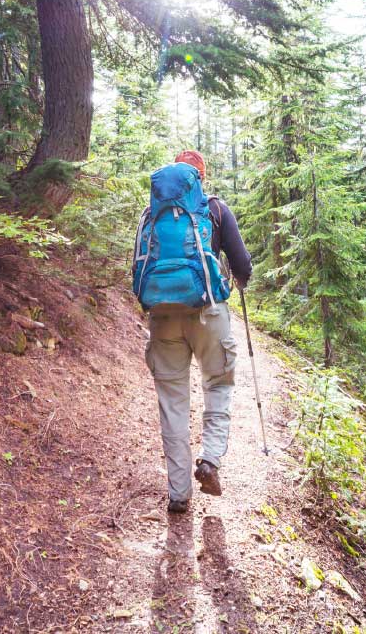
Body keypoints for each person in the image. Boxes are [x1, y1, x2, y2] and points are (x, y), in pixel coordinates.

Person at [135, 150, 252, 514]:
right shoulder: (214, 209)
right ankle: (211, 460)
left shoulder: (150, 215)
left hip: (162, 314)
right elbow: (243, 264)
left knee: (172, 403)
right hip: (208, 312)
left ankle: (178, 493)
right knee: (218, 384)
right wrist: (236, 282)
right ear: (200, 178)